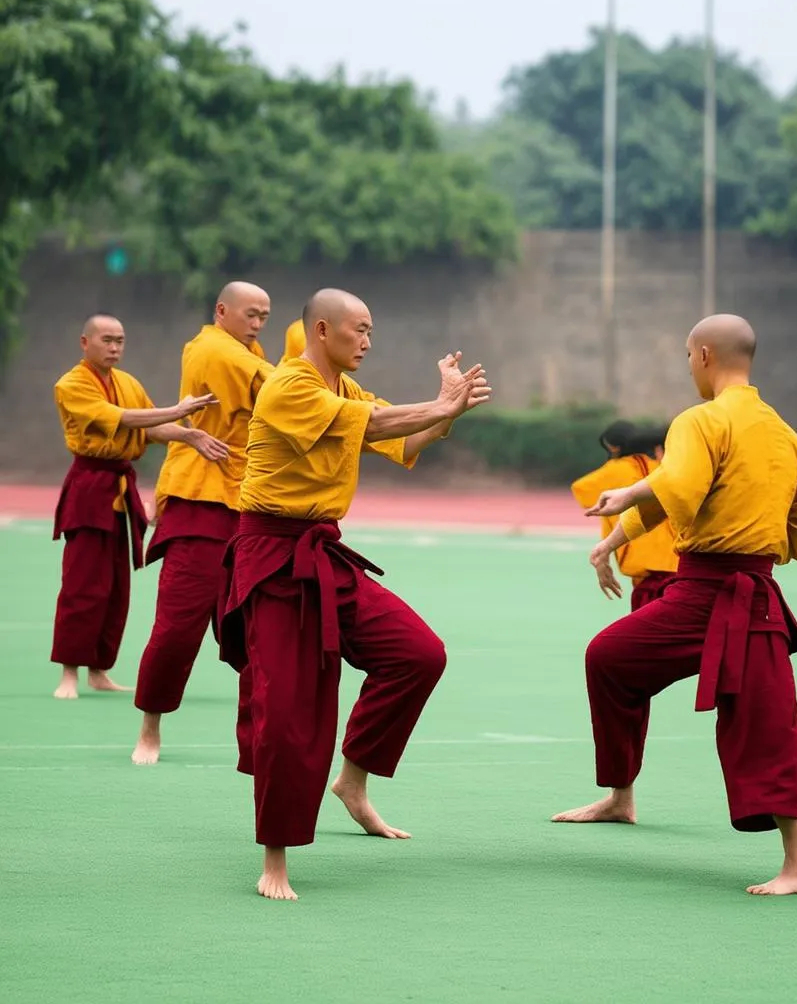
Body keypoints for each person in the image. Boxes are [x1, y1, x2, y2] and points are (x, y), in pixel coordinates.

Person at [218, 287, 490, 901]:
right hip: (271, 560)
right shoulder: (291, 387)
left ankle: (353, 780)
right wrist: (438, 402)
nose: (368, 341)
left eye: (371, 330)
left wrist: (450, 410)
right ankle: (276, 858)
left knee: (418, 654)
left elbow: (404, 440)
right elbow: (383, 422)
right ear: (322, 330)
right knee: (286, 711)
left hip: (321, 553)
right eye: (359, 330)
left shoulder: (348, 391)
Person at [552, 313, 797, 898]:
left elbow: (678, 487)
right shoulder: (783, 433)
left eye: (686, 355)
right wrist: (614, 539)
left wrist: (628, 493)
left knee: (760, 721)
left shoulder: (699, 420)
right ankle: (621, 798)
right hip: (747, 592)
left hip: (714, 591)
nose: (688, 365)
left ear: (703, 355)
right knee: (617, 661)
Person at [131, 283, 275, 764]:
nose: (257, 324)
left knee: (260, 631)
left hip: (249, 504)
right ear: (222, 311)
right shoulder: (212, 348)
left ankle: (262, 737)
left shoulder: (249, 351)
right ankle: (149, 727)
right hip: (199, 501)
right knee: (177, 626)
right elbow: (277, 389)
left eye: (264, 316)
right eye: (250, 314)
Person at [51, 314, 229, 700]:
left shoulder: (127, 383)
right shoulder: (71, 385)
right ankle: (69, 671)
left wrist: (189, 434)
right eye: (107, 340)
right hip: (90, 489)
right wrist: (178, 411)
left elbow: (147, 429)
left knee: (116, 586)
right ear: (85, 342)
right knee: (83, 584)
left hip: (120, 489)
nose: (115, 347)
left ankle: (99, 669)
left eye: (120, 341)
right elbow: (122, 419)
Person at [570, 421, 677, 611]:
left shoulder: (616, 469)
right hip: (678, 562)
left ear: (614, 447)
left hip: (647, 569)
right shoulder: (659, 467)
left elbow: (581, 490)